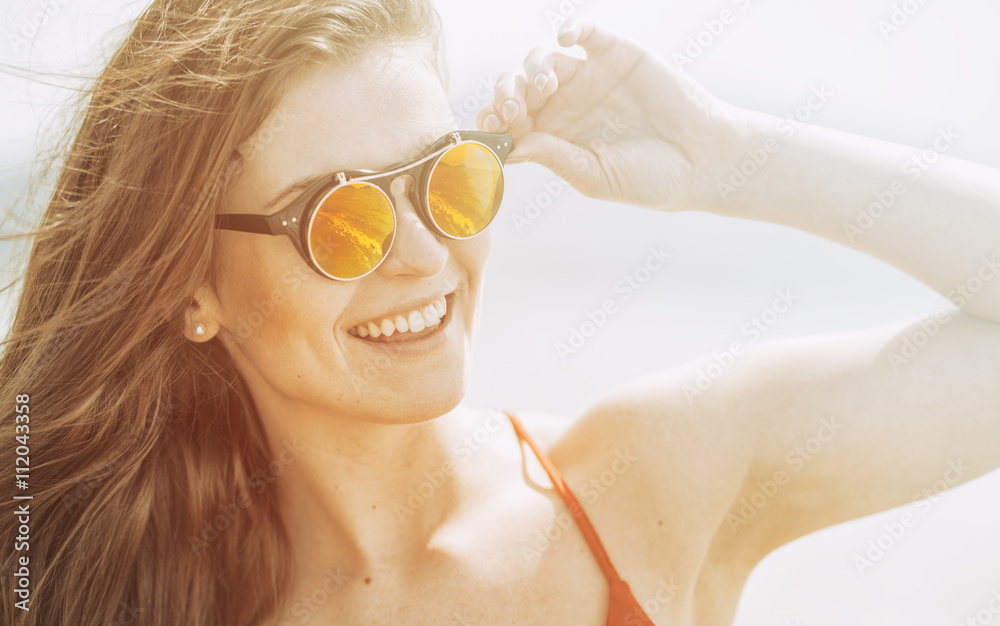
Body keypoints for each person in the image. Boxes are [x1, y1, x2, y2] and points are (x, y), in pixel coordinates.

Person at [0, 2, 997, 626]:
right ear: (191, 288)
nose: (429, 255)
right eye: (344, 220)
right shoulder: (96, 587)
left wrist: (724, 156)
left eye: (446, 178)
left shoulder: (650, 481)